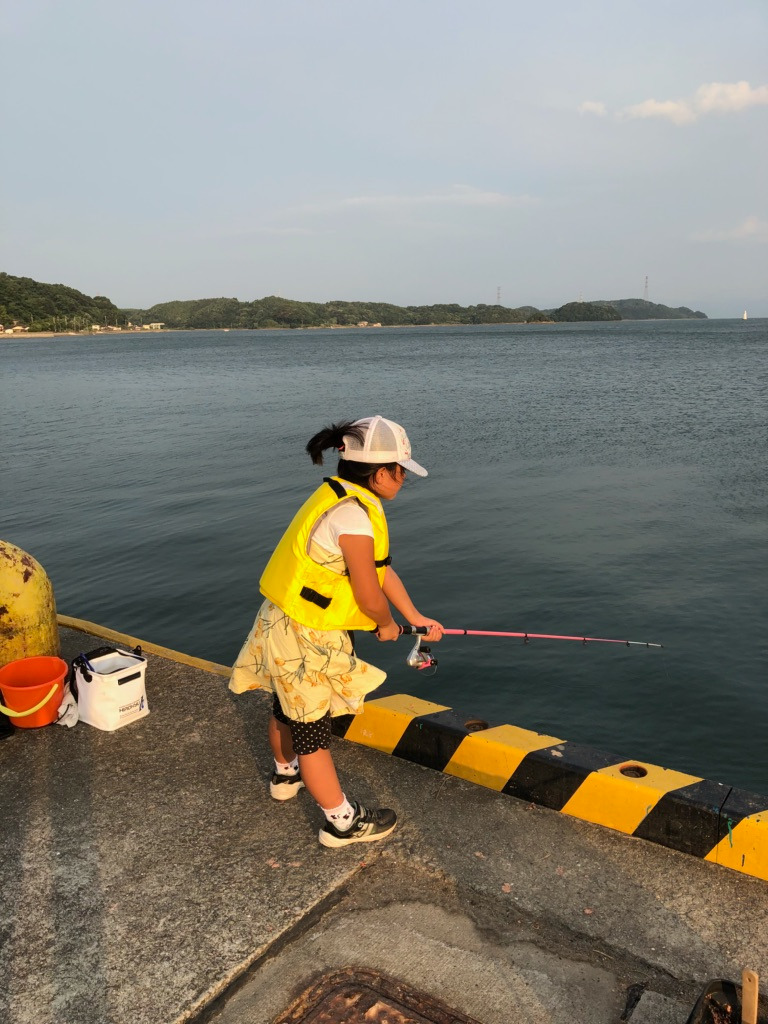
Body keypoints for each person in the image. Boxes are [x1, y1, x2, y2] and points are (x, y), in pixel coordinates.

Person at [230, 416, 443, 848]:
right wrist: (386, 624)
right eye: (401, 470)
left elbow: (380, 571)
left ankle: (284, 775)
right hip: (307, 637)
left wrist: (414, 616)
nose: (403, 479)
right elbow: (368, 593)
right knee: (312, 731)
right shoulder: (356, 519)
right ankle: (341, 822)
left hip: (281, 621)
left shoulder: (337, 497)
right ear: (380, 474)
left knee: (286, 707)